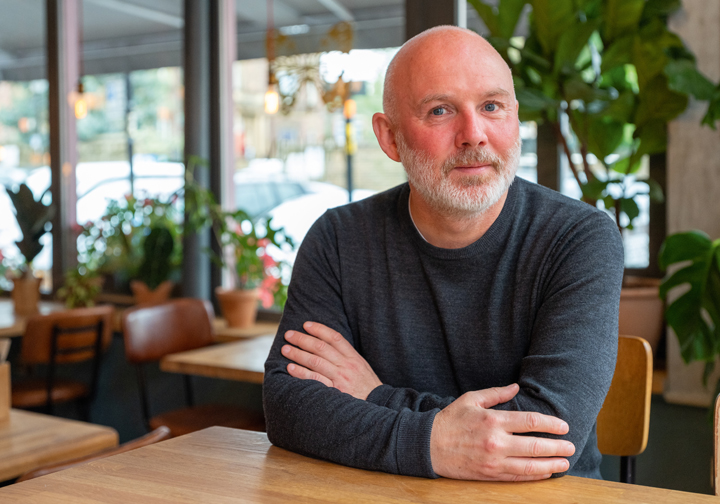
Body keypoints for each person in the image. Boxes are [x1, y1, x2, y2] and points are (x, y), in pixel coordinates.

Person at [263, 25, 624, 481]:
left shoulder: (578, 238)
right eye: (440, 111)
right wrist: (437, 443)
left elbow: (546, 439)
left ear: (515, 118)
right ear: (390, 137)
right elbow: (287, 407)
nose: (473, 134)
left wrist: (376, 398)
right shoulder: (338, 238)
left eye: (491, 106)